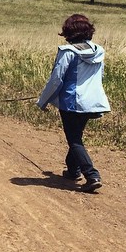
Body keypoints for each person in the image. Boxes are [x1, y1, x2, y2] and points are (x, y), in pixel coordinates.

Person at [36, 14, 110, 193]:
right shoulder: (99, 51)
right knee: (76, 135)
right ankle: (73, 170)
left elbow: (56, 79)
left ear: (68, 32)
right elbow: (99, 77)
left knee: (74, 139)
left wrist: (43, 101)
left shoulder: (67, 52)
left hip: (72, 102)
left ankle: (92, 175)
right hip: (93, 101)